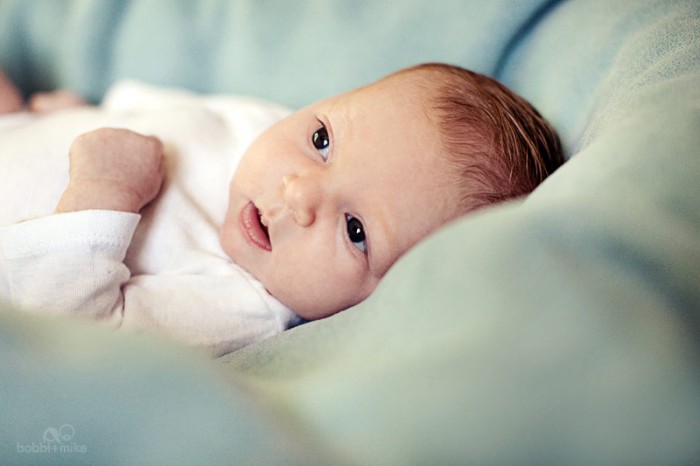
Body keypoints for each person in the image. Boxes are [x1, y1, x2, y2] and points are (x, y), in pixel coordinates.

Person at [0, 63, 565, 355]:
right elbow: (152, 119)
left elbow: (67, 337)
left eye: (356, 230)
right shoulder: (262, 122)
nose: (298, 193)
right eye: (323, 141)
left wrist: (102, 192)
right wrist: (68, 115)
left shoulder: (243, 305)